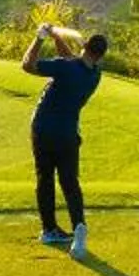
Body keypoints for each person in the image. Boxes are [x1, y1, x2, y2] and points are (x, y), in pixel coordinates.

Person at [21, 20, 107, 258]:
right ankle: (79, 225)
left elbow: (27, 65)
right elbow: (72, 63)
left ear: (85, 46)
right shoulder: (94, 75)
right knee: (70, 183)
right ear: (100, 56)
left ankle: (49, 230)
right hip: (68, 135)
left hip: (43, 130)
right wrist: (57, 37)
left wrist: (39, 38)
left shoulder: (66, 67)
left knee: (45, 178)